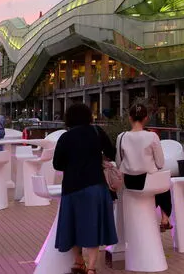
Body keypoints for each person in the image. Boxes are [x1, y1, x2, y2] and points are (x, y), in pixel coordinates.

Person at [52, 103, 117, 274]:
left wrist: (73, 163)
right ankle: (92, 268)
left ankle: (78, 262)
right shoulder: (97, 132)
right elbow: (112, 152)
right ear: (88, 116)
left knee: (73, 225)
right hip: (95, 186)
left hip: (72, 188)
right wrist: (99, 158)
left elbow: (57, 164)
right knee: (92, 227)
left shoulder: (65, 137)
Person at [117, 103, 172, 232]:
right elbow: (160, 163)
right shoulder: (152, 136)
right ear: (146, 118)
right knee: (164, 186)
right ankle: (165, 218)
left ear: (130, 118)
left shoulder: (121, 137)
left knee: (159, 185)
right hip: (147, 183)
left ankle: (163, 219)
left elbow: (119, 163)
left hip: (129, 182)